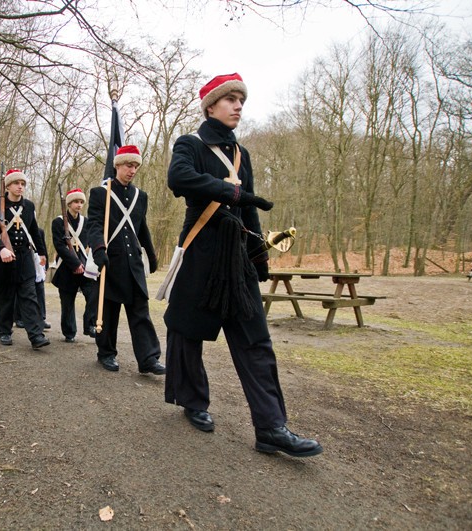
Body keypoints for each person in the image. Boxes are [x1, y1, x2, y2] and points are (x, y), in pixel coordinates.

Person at [164, 73, 322, 457]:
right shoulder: (190, 144)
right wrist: (230, 190)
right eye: (230, 99)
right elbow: (178, 178)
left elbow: (248, 208)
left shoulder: (242, 154)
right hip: (201, 249)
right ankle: (192, 401)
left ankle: (271, 427)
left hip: (236, 257)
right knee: (187, 331)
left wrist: (258, 254)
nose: (237, 106)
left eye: (241, 100)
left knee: (256, 340)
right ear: (211, 106)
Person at [86, 145, 164, 375]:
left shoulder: (141, 197)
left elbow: (141, 228)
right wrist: (99, 249)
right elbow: (94, 224)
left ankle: (148, 358)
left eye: (136, 166)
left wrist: (150, 254)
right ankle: (106, 353)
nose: (132, 170)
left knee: (141, 311)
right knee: (108, 312)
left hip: (134, 264)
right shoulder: (101, 193)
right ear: (118, 165)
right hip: (111, 261)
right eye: (129, 165)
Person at [0, 169, 50, 349]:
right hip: (4, 258)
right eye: (16, 183)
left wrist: (42, 252)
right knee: (5, 296)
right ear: (8, 186)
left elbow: (34, 230)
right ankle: (4, 331)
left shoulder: (28, 206)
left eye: (22, 184)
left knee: (29, 297)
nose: (20, 187)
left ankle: (36, 335)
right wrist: (1, 249)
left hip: (25, 257)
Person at [51, 188, 98, 342]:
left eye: (81, 202)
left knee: (94, 294)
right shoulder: (58, 222)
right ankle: (69, 332)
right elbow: (59, 245)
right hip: (66, 266)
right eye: (76, 202)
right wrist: (74, 263)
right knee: (67, 303)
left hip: (84, 265)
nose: (79, 205)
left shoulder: (86, 221)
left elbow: (91, 241)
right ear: (69, 204)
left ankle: (89, 324)